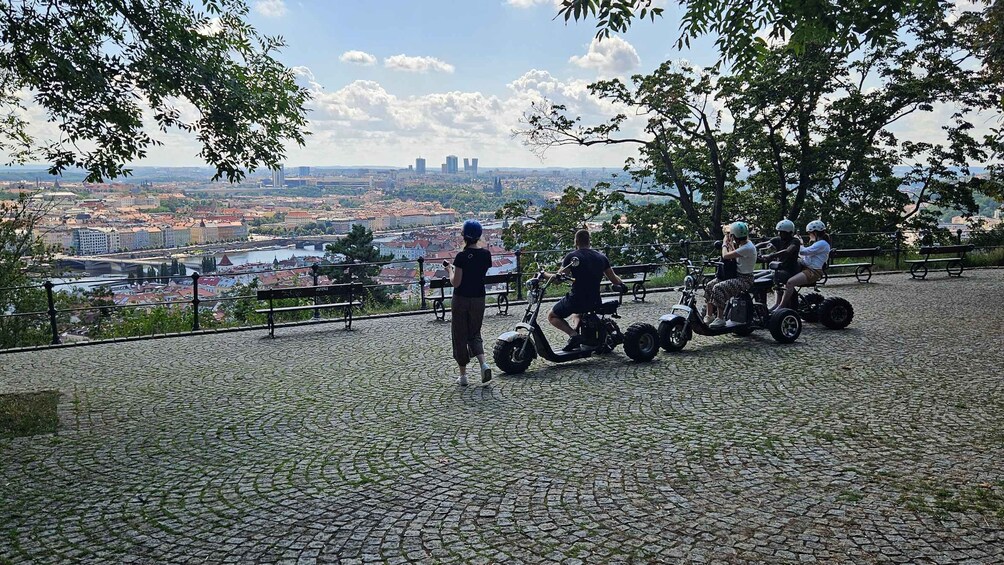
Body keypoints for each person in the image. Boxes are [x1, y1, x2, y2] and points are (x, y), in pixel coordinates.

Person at [547, 229, 625, 351]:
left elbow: (558, 279)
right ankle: (579, 335)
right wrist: (622, 284)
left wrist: (543, 275)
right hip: (594, 300)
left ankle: (573, 335)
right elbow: (614, 279)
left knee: (552, 316)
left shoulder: (572, 257)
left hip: (576, 300)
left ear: (576, 241)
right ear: (589, 241)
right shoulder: (601, 257)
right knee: (577, 314)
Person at [442, 220, 493, 386]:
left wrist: (450, 269)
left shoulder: (461, 257)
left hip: (461, 299)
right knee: (475, 333)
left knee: (459, 335)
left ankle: (463, 376)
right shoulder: (486, 255)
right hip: (479, 298)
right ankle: (483, 364)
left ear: (464, 235)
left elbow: (456, 283)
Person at [704, 221, 757, 328]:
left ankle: (720, 318)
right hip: (736, 275)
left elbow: (726, 255)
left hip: (745, 279)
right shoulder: (743, 244)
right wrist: (730, 244)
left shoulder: (747, 247)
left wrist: (724, 242)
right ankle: (709, 315)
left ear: (734, 235)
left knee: (719, 288)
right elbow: (734, 254)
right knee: (710, 285)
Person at [778, 220, 831, 310]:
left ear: (815, 233)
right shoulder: (819, 243)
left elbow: (804, 252)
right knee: (782, 280)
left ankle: (781, 306)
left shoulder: (822, 244)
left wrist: (798, 243)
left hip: (813, 271)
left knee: (790, 283)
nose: (809, 235)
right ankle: (788, 304)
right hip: (806, 268)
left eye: (810, 233)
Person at [755, 219, 800, 310]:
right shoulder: (777, 239)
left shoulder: (795, 241)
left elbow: (788, 251)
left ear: (789, 232)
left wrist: (771, 255)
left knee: (761, 283)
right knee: (754, 278)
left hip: (788, 271)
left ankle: (762, 308)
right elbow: (764, 244)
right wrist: (753, 249)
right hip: (775, 269)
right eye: (779, 232)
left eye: (782, 232)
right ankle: (761, 307)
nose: (780, 234)